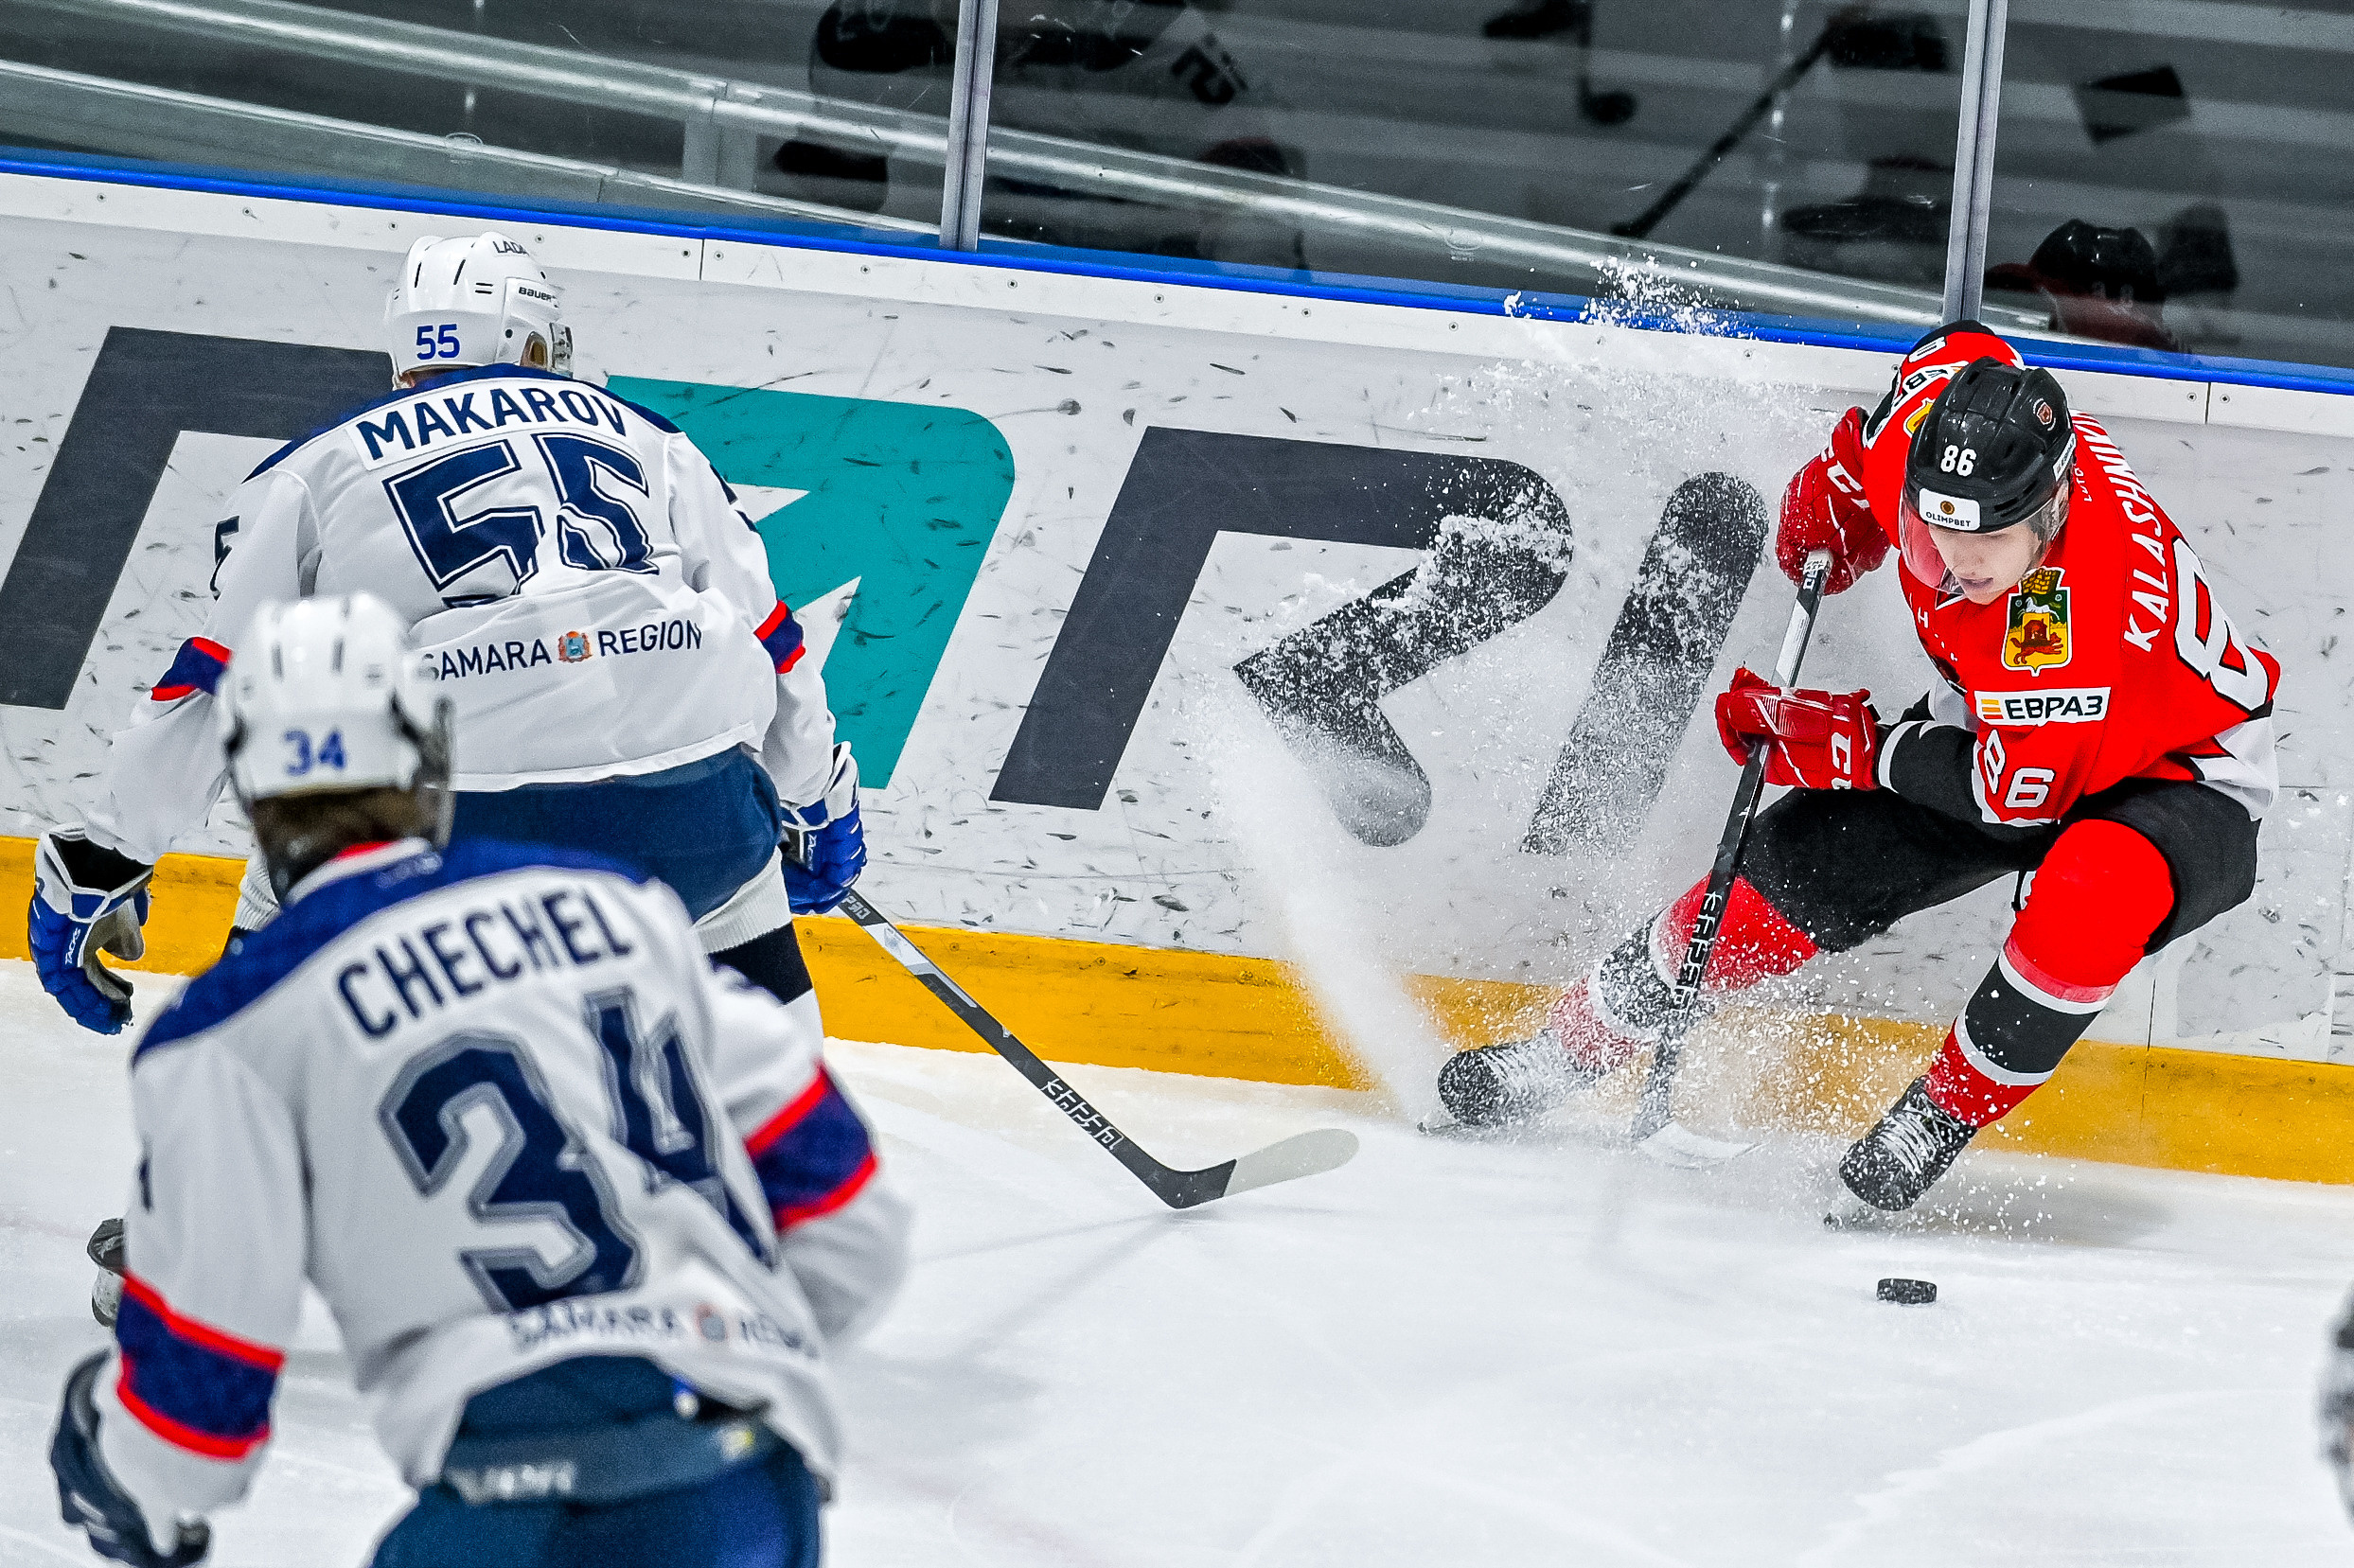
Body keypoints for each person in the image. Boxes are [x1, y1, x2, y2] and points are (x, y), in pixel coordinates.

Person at [30, 228, 866, 1320]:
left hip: (455, 826)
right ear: (530, 339)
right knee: (740, 882)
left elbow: (216, 684)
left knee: (292, 873)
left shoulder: (313, 466)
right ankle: (778, 1199)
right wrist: (819, 802)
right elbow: (773, 645)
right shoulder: (652, 438)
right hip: (686, 814)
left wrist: (106, 854)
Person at [46, 594, 909, 1568]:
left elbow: (199, 1414)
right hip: (753, 1494)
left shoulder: (231, 1027)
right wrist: (734, 1361)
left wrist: (122, 1473)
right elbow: (851, 1219)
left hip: (520, 1515)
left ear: (248, 784)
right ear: (429, 756)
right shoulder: (620, 910)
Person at [1439, 320, 2279, 1213]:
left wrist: (1859, 748)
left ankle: (1935, 1117)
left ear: (2051, 511)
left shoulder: (2066, 619)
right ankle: (1568, 1046)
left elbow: (2009, 796)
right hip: (1997, 723)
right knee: (1795, 871)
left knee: (2090, 893)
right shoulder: (1924, 438)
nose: (1955, 563)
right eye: (1933, 528)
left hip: (2178, 767)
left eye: (1986, 543)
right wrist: (1840, 481)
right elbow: (1961, 348)